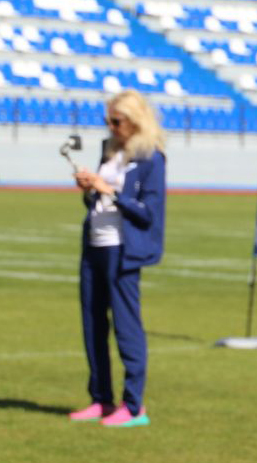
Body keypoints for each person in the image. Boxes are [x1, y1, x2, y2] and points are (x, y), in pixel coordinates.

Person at [68, 89, 167, 427]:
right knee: (92, 324)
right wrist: (90, 189)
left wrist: (110, 190)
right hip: (93, 246)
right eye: (108, 120)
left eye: (116, 121)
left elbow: (148, 213)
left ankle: (134, 406)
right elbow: (97, 203)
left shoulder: (152, 159)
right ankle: (101, 399)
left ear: (135, 121)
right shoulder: (109, 151)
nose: (110, 127)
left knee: (126, 327)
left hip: (124, 251)